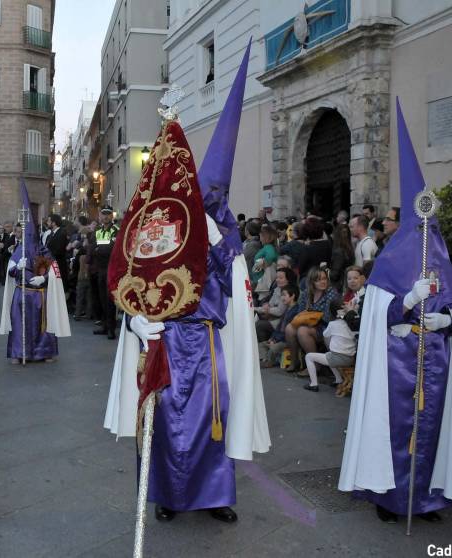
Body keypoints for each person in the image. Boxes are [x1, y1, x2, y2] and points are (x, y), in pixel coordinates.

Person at [105, 42, 269, 524]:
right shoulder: (163, 222)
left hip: (208, 340)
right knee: (163, 421)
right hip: (164, 338)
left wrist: (218, 241)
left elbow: (231, 282)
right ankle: (166, 497)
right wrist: (133, 320)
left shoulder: (225, 236)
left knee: (209, 420)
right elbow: (135, 274)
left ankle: (214, 496)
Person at [339, 102, 452, 523]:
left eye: (431, 224)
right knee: (395, 430)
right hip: (396, 362)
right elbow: (376, 311)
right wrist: (404, 302)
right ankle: (390, 498)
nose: (427, 231)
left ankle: (426, 498)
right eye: (421, 224)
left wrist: (447, 321)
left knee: (433, 431)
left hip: (435, 361)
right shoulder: (390, 261)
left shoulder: (441, 260)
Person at [0, 183, 70, 364]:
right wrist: (18, 267)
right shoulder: (18, 250)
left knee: (42, 325)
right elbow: (10, 272)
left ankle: (43, 352)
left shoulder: (43, 250)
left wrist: (43, 278)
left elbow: (54, 270)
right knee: (19, 325)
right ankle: (18, 352)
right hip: (21, 292)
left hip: (39, 294)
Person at [284, 265, 339, 373]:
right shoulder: (306, 293)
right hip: (309, 324)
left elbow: (328, 317)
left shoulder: (331, 292)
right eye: (318, 280)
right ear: (312, 282)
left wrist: (312, 317)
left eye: (324, 279)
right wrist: (308, 318)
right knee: (289, 328)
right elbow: (300, 312)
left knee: (302, 331)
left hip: (325, 326)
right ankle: (295, 361)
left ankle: (315, 365)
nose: (322, 282)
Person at [303, 299, 355, 392]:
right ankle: (338, 380)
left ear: (332, 312)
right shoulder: (351, 324)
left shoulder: (332, 324)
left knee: (309, 356)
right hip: (350, 358)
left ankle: (313, 384)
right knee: (328, 355)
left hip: (337, 358)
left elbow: (325, 335)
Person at [92, 205, 119, 339]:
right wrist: (98, 251)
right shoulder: (98, 230)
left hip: (111, 268)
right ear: (101, 216)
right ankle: (104, 325)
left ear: (111, 216)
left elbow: (112, 249)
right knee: (102, 298)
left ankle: (111, 329)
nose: (106, 216)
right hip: (100, 268)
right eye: (104, 214)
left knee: (109, 300)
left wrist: (99, 250)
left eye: (108, 214)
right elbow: (92, 248)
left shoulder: (116, 230)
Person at [260, 284, 300, 368]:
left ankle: (270, 362)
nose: (282, 298)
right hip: (278, 338)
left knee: (273, 348)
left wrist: (275, 340)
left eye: (284, 295)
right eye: (281, 295)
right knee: (261, 345)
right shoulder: (287, 309)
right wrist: (272, 338)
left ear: (292, 296)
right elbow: (278, 327)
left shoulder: (296, 310)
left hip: (285, 340)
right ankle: (264, 359)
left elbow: (287, 331)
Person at [255, 267, 297, 342]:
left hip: (280, 323)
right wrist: (264, 306)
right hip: (271, 317)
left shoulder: (289, 292)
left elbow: (279, 311)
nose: (277, 280)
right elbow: (270, 305)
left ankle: (264, 344)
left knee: (260, 325)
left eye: (280, 278)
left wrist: (266, 309)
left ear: (288, 279)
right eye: (277, 277)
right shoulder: (277, 289)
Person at [250, 224, 278, 295]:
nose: (260, 239)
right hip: (260, 282)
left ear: (265, 237)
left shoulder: (268, 247)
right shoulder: (268, 247)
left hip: (263, 282)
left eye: (260, 236)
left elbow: (271, 256)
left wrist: (264, 264)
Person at [329, 223, 355, 291]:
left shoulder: (339, 251)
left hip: (339, 286)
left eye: (346, 232)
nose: (345, 235)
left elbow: (334, 275)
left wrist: (325, 270)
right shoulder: (350, 249)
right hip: (346, 283)